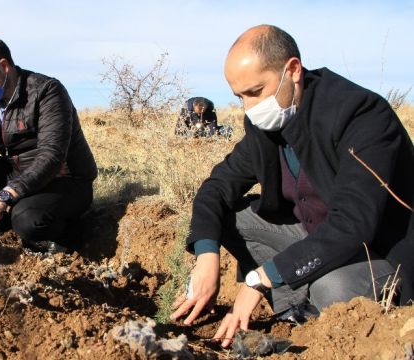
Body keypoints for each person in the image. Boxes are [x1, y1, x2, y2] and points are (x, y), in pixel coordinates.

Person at [170, 24, 414, 348]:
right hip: (317, 242)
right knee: (228, 218)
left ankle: (317, 312)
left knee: (333, 288)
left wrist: (260, 278)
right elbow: (216, 187)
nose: (248, 108)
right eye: (239, 97)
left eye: (255, 92)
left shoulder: (361, 116)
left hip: (380, 255)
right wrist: (206, 254)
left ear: (293, 70)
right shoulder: (266, 125)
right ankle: (296, 310)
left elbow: (353, 224)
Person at [0, 36, 98, 252]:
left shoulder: (47, 91)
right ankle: (3, 220)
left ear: (4, 67)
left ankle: (69, 233)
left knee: (27, 220)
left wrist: (5, 195)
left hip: (64, 180)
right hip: (20, 175)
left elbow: (51, 156)